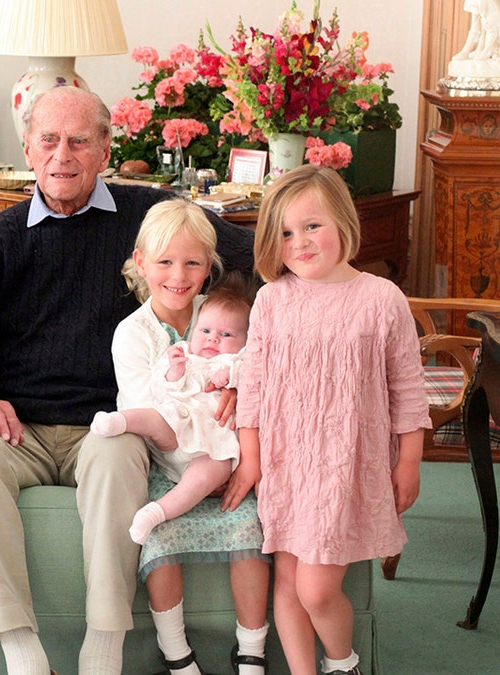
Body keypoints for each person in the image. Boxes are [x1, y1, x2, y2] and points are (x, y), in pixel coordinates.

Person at [0, 85, 255, 675]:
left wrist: (247, 366)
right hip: (17, 428)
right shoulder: (2, 237)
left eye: (80, 141)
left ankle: (103, 647)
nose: (64, 154)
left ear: (105, 148)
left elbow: (257, 259)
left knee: (114, 458)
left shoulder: (147, 217)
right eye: (50, 141)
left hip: (107, 424)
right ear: (28, 150)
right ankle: (20, 649)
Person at [222, 165, 429, 675]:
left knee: (316, 588)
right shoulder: (272, 299)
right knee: (288, 584)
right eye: (286, 233)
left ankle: (344, 663)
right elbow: (254, 386)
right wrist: (251, 459)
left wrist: (410, 461)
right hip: (286, 461)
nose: (300, 242)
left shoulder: (382, 299)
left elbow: (407, 389)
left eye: (312, 226)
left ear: (342, 220)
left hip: (343, 465)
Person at [106, 200, 270, 675]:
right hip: (170, 464)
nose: (179, 275)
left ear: (209, 268)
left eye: (193, 263)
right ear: (141, 263)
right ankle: (176, 652)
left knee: (251, 533)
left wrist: (239, 390)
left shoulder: (220, 313)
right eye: (165, 263)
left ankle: (251, 651)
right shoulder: (132, 334)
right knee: (158, 540)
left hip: (228, 456)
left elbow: (255, 363)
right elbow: (152, 415)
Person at [93, 272, 253, 545]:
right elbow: (160, 389)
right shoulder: (185, 353)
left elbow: (257, 379)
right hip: (176, 425)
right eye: (205, 331)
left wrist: (233, 380)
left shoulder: (240, 361)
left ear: (245, 340)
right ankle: (117, 422)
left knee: (209, 474)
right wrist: (175, 371)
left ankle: (156, 513)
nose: (212, 340)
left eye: (226, 334)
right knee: (156, 418)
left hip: (214, 445)